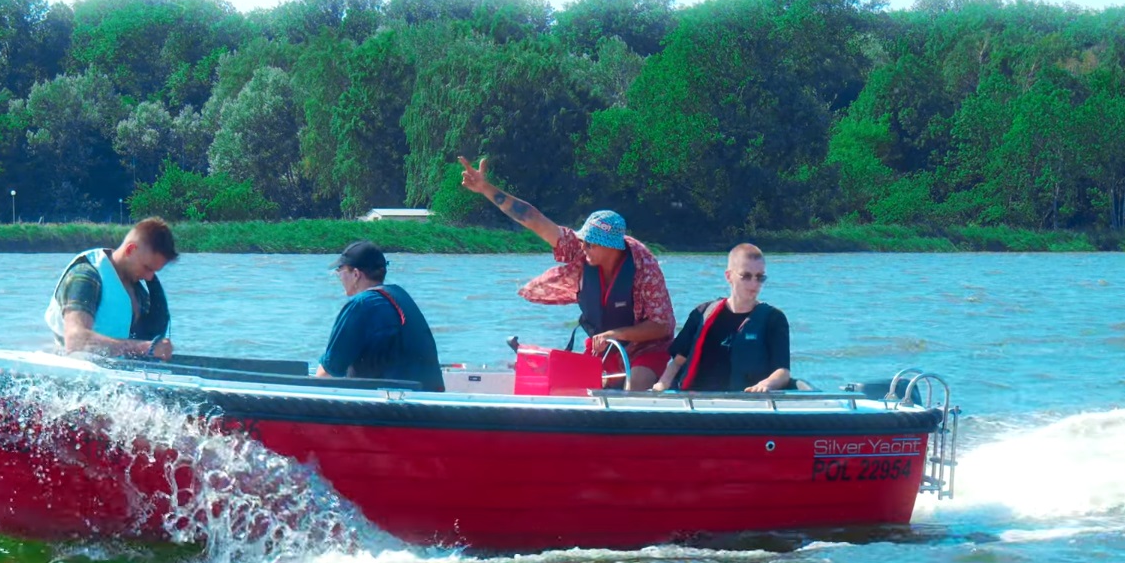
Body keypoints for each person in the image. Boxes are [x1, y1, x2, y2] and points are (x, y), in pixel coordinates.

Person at [457, 156, 674, 390]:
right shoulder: (579, 251)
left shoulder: (644, 268)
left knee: (636, 385)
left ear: (612, 247)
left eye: (590, 244)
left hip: (646, 349)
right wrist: (485, 188)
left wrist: (618, 333)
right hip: (604, 347)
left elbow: (661, 326)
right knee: (574, 388)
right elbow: (533, 219)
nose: (583, 247)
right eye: (583, 241)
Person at [655, 243, 793, 393]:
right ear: (729, 276)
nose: (754, 284)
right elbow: (677, 362)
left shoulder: (774, 320)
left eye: (760, 277)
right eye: (746, 276)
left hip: (745, 402)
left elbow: (783, 373)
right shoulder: (702, 314)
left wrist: (766, 385)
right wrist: (661, 386)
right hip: (697, 401)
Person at [315, 240, 445, 392]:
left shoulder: (362, 305)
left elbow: (327, 374)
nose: (338, 277)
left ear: (356, 274)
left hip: (395, 406)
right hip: (427, 399)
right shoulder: (400, 295)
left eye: (340, 271)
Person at [43, 217, 178, 360]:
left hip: (117, 374)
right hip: (75, 372)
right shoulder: (86, 276)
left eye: (154, 272)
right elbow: (75, 340)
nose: (150, 278)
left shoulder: (138, 291)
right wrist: (145, 348)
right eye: (147, 268)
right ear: (131, 249)